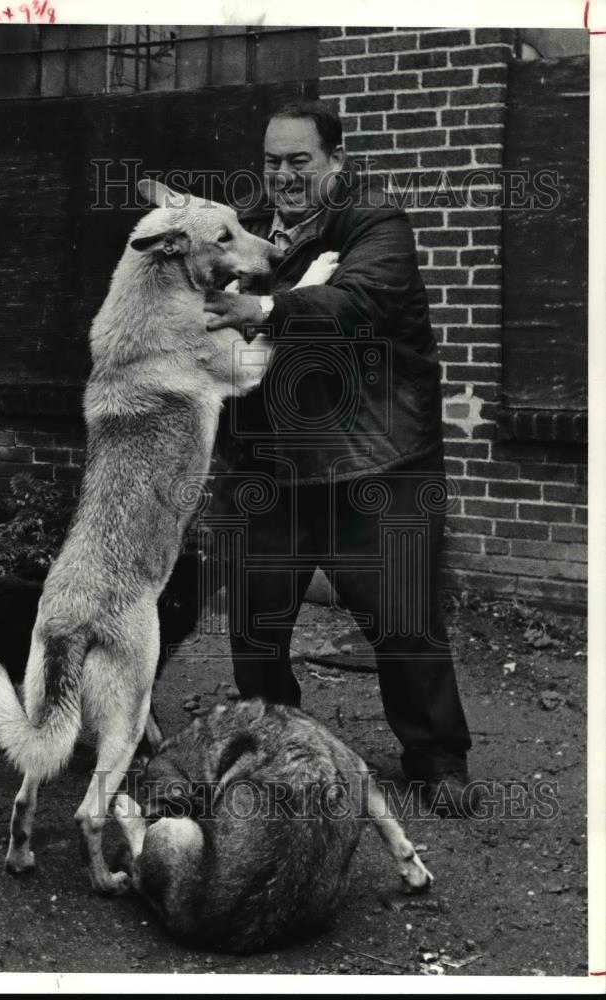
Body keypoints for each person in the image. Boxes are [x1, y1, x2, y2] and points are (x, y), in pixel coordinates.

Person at [203, 100, 477, 817]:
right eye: (272, 161)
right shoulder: (247, 230)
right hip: (268, 462)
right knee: (256, 625)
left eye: (299, 161)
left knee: (403, 615)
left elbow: (351, 304)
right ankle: (272, 746)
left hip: (372, 460)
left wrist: (261, 310)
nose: (284, 176)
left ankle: (435, 755)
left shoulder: (374, 222)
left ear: (335, 162)